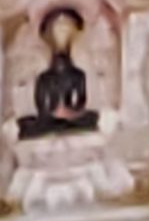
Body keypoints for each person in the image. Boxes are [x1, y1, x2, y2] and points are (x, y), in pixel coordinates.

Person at [18, 7, 101, 139]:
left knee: (91, 117)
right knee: (27, 124)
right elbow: (42, 107)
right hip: (49, 120)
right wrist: (52, 113)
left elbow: (80, 102)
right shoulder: (44, 78)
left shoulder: (78, 75)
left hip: (71, 119)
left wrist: (71, 111)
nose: (62, 32)